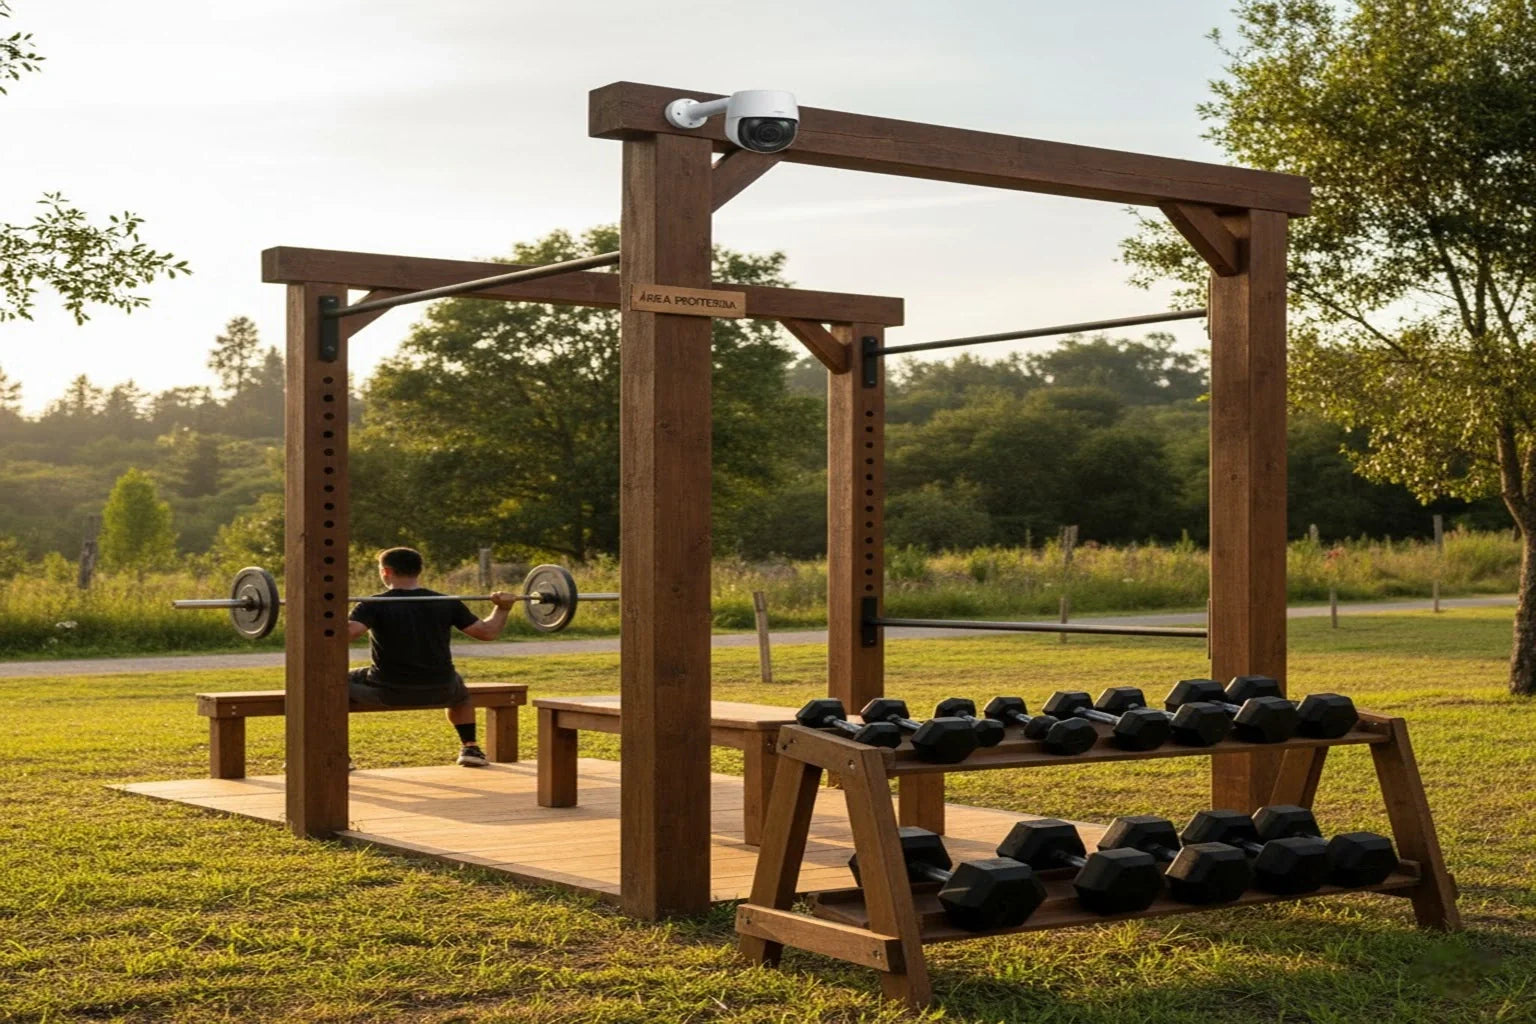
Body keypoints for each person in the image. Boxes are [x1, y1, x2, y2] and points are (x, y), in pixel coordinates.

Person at [347, 546, 517, 767]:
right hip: (442, 689)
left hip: (388, 690)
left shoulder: (374, 604)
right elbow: (487, 632)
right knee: (460, 690)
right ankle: (470, 747)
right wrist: (503, 608)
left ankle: (337, 754)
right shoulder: (446, 601)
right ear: (418, 571)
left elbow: (347, 633)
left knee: (331, 685)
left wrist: (327, 611)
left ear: (386, 572)